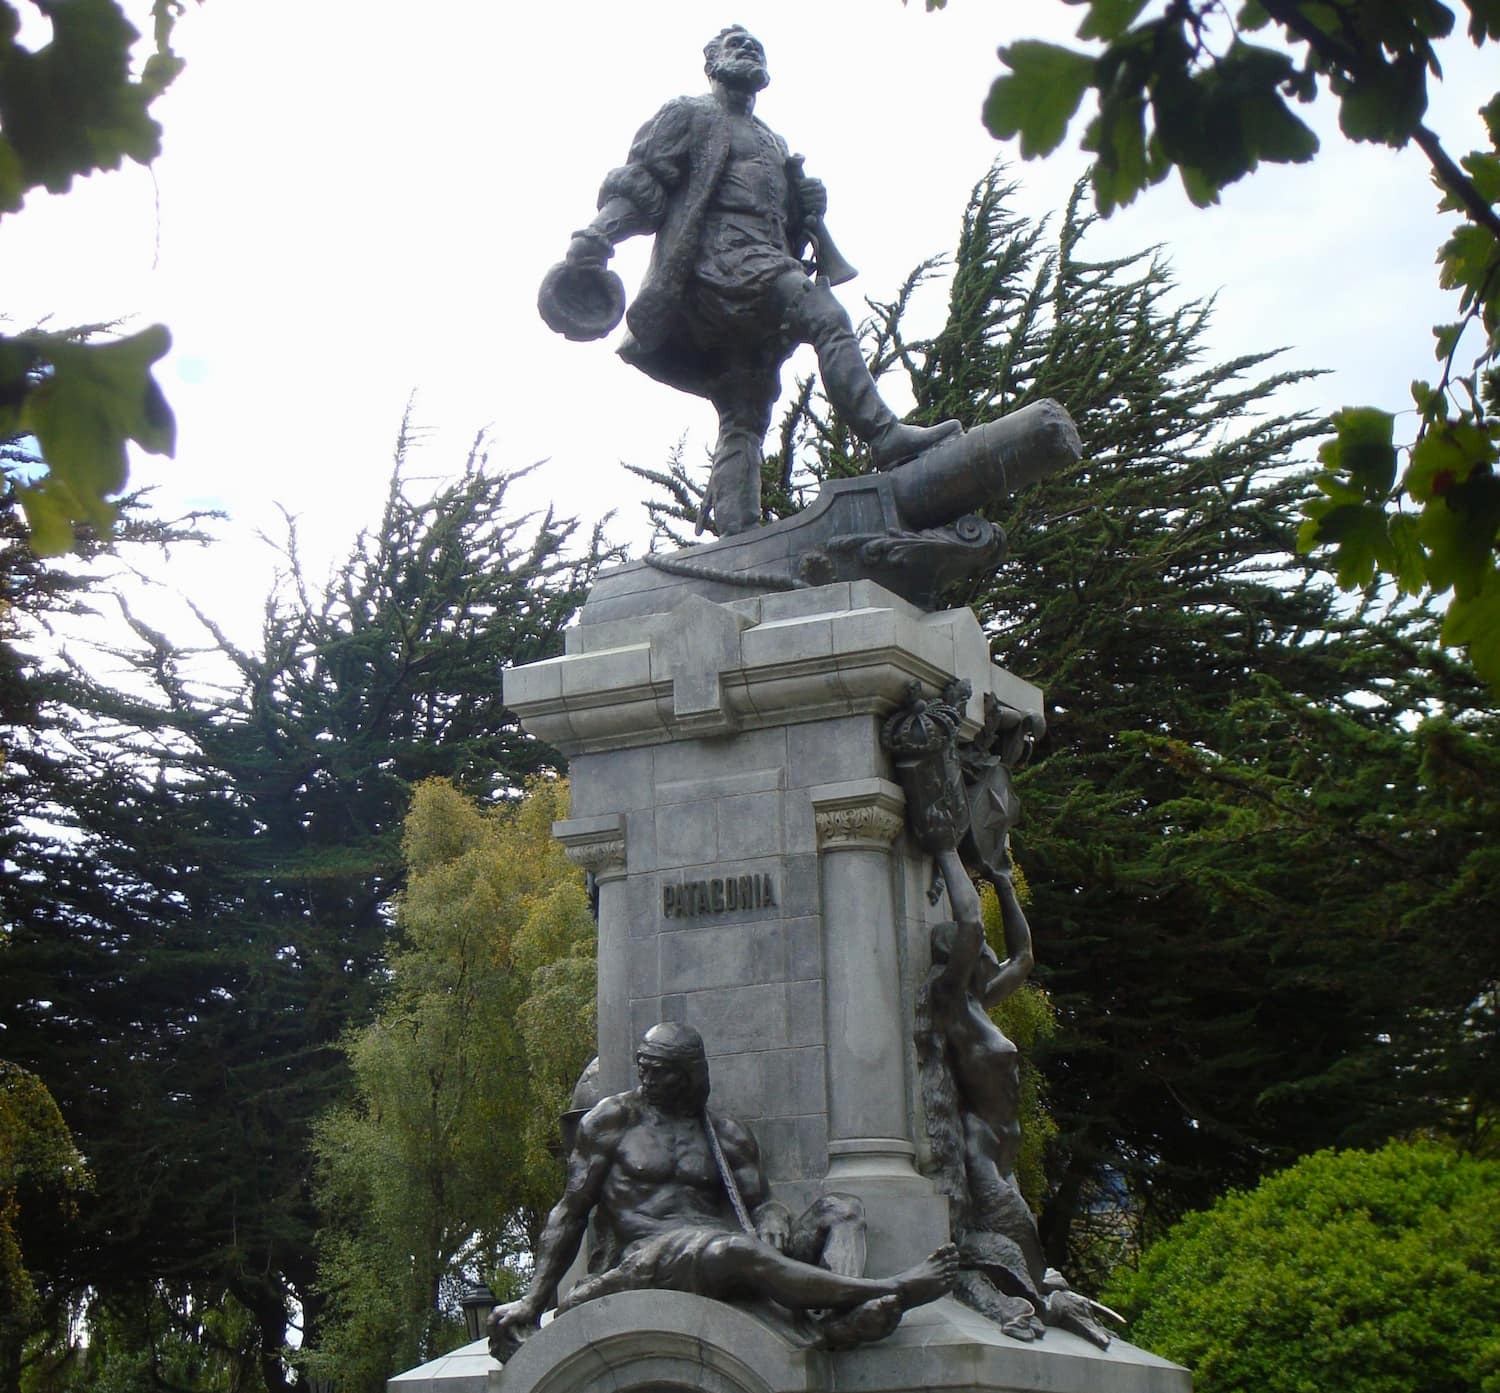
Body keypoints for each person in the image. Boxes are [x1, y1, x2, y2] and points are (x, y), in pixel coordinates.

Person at [552, 25, 961, 537]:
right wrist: (595, 239)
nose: (748, 49)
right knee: (827, 316)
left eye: (755, 46)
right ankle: (884, 437)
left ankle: (737, 539)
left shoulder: (773, 139)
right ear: (711, 63)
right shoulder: (690, 113)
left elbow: (778, 220)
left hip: (762, 269)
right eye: (734, 45)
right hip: (717, 268)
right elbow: (644, 187)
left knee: (744, 412)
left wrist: (805, 209)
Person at [487, 1023, 958, 1358]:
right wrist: (534, 1298)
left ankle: (832, 1317)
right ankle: (890, 1288)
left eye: (660, 1071)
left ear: (691, 1075)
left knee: (841, 1209)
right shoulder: (613, 1121)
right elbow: (570, 1213)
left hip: (721, 1246)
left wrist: (773, 1216)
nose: (646, 1079)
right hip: (646, 1256)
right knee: (733, 1250)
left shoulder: (724, 1133)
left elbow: (761, 1203)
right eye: (643, 1067)